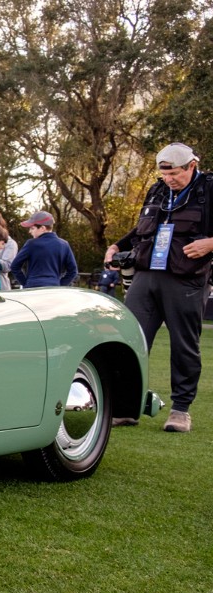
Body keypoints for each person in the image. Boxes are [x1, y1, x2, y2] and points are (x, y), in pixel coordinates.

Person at [104, 142, 213, 433]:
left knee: (184, 346)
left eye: (175, 173)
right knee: (129, 340)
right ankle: (126, 407)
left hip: (186, 279)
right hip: (146, 274)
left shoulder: (208, 189)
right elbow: (141, 228)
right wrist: (117, 245)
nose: (169, 179)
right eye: (164, 174)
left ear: (192, 166)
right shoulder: (158, 189)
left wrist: (211, 243)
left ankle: (180, 411)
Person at [9, 211, 77, 288]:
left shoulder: (31, 244)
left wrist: (26, 283)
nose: (30, 231)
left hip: (33, 288)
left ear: (42, 228)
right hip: (54, 288)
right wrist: (60, 285)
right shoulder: (64, 245)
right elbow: (73, 271)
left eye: (32, 228)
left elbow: (14, 266)